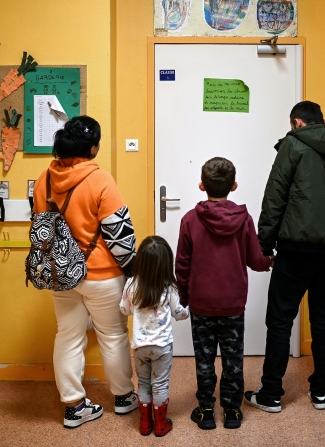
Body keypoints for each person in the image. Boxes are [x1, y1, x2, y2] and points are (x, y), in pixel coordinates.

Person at [244, 100, 325, 413]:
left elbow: (275, 196)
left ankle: (271, 394)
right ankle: (321, 393)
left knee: (281, 319)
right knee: (322, 319)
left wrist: (265, 243)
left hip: (295, 247)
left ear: (297, 123)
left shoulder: (293, 145)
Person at [33, 115, 138, 429]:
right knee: (113, 336)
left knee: (67, 336)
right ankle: (123, 398)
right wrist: (132, 269)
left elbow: (42, 229)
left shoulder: (45, 179)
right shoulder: (100, 179)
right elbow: (119, 235)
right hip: (103, 274)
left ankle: (74, 407)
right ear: (93, 149)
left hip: (62, 272)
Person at [175, 157, 273, 430]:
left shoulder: (190, 220)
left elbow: (181, 264)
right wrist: (270, 261)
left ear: (201, 185)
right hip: (232, 304)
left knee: (204, 359)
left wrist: (185, 296)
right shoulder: (243, 219)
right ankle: (232, 412)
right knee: (233, 359)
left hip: (202, 304)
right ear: (235, 185)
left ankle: (206, 411)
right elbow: (256, 259)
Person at [120, 236, 190, 437]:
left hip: (140, 347)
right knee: (159, 384)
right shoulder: (169, 287)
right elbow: (179, 314)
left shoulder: (132, 284)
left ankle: (144, 424)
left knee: (143, 383)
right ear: (167, 263)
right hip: (162, 348)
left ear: (140, 261)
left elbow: (124, 309)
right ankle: (160, 425)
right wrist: (189, 309)